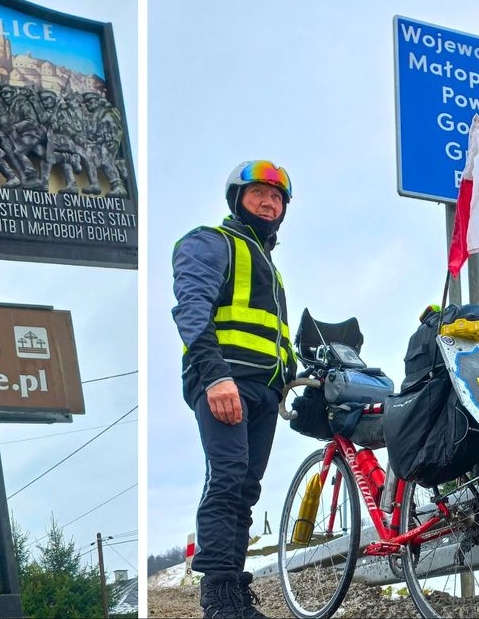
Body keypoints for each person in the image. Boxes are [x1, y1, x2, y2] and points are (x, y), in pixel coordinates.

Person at [171, 160, 297, 619]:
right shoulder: (213, 242)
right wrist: (215, 375)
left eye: (277, 197)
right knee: (226, 479)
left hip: (264, 392)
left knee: (245, 488)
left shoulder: (270, 269)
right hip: (225, 382)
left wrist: (294, 371)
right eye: (258, 193)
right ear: (237, 199)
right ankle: (218, 598)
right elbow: (192, 310)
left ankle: (235, 591)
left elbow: (270, 335)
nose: (268, 202)